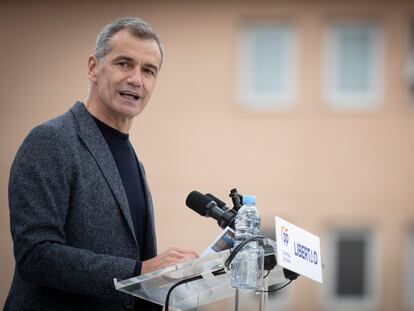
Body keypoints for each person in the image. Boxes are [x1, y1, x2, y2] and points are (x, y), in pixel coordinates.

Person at [4, 17, 198, 311]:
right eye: (124, 63)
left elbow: (138, 272)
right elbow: (37, 255)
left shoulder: (133, 160)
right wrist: (139, 270)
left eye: (148, 71)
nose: (136, 79)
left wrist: (166, 279)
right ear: (93, 67)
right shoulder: (51, 140)